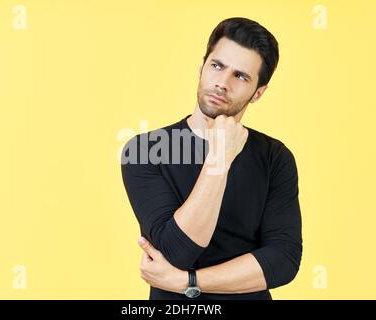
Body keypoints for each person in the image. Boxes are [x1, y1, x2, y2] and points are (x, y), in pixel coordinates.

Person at [120, 17, 302, 300]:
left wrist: (187, 281)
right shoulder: (145, 150)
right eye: (217, 66)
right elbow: (177, 251)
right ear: (201, 67)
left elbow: (283, 260)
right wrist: (219, 156)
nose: (222, 83)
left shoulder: (275, 157)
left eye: (240, 76)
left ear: (258, 93)